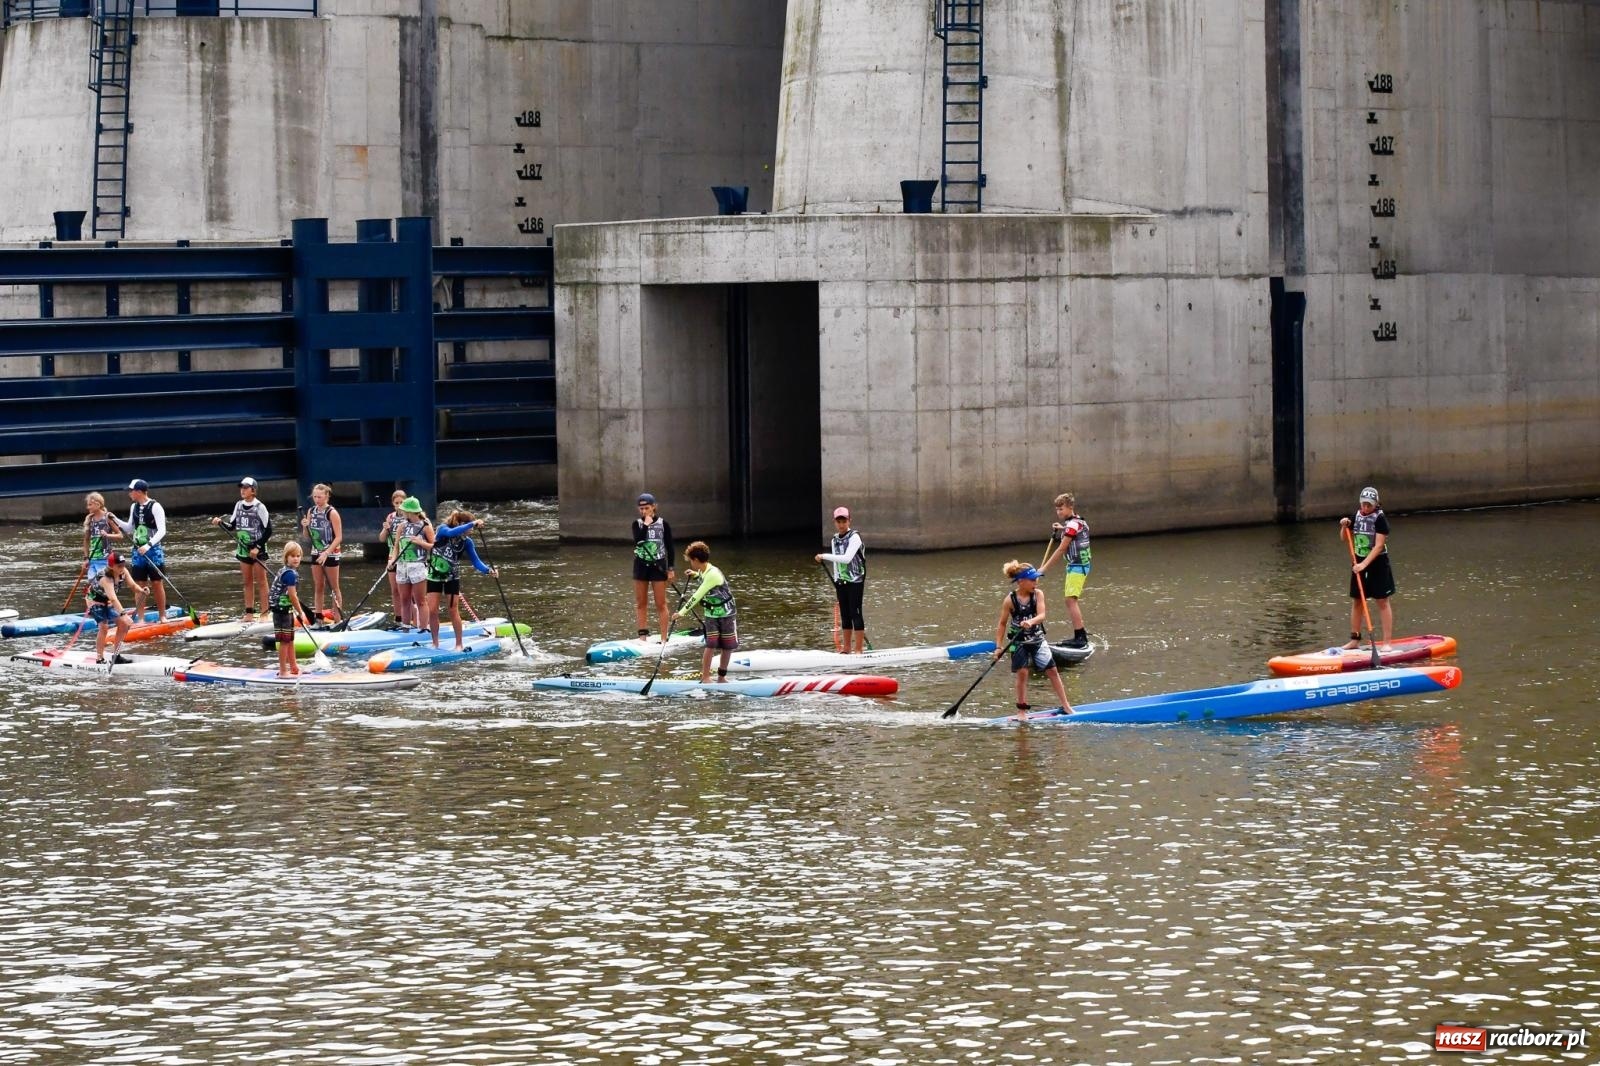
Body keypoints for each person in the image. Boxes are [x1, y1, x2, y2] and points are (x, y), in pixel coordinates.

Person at [994, 561, 1072, 719]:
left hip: (1037, 639)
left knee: (1052, 671)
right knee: (1022, 673)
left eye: (1037, 579)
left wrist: (1031, 621)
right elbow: (1002, 624)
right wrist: (998, 647)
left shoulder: (1038, 594)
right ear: (1021, 581)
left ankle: (1067, 706)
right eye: (1032, 580)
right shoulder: (1010, 600)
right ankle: (1021, 712)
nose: (1036, 582)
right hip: (1018, 642)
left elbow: (1042, 615)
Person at [425, 511, 498, 650]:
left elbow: (476, 561)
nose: (471, 530)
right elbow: (452, 534)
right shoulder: (442, 529)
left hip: (452, 577)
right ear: (460, 524)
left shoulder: (467, 542)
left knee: (453, 610)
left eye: (472, 527)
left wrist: (489, 570)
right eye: (469, 527)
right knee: (433, 610)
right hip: (434, 575)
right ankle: (435, 643)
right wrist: (473, 523)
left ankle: (459, 644)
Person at [1340, 486, 1396, 649]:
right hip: (1359, 563)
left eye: (1369, 505)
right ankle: (1354, 640)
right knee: (1357, 601)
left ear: (1376, 504)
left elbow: (1379, 546)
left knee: (1382, 601)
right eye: (1363, 504)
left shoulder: (1380, 519)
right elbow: (1345, 538)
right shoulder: (1356, 516)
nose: (1365, 508)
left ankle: (1386, 643)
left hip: (1377, 564)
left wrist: (1364, 564)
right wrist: (1344, 526)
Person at [672, 541, 736, 683]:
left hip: (727, 613)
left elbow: (697, 596)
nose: (690, 564)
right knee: (710, 645)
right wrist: (694, 574)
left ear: (695, 560)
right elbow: (702, 577)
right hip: (711, 615)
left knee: (727, 646)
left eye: (690, 561)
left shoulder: (712, 574)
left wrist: (681, 613)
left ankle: (721, 677)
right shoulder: (703, 570)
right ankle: (705, 677)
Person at [210, 476, 271, 621]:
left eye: (246, 488)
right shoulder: (238, 505)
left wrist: (257, 547)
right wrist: (220, 523)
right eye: (241, 488)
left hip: (258, 548)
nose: (242, 490)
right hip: (243, 548)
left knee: (261, 581)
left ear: (253, 490)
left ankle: (265, 613)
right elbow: (232, 526)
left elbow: (268, 531)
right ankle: (249, 613)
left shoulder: (260, 507)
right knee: (247, 581)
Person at [1038, 491, 1091, 648]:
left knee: (1070, 600)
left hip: (1078, 566)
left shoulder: (1073, 524)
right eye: (1057, 509)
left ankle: (1080, 637)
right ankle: (1079, 635)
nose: (1058, 512)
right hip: (1078, 564)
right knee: (1070, 600)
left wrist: (1043, 569)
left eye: (1061, 509)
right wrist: (1062, 528)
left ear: (1070, 507)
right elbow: (1074, 532)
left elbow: (1061, 549)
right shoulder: (1077, 521)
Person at [815, 505, 868, 653]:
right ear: (835, 522)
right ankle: (846, 649)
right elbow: (837, 565)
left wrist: (823, 556)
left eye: (844, 521)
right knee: (845, 615)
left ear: (849, 521)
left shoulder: (855, 537)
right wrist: (837, 581)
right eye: (838, 521)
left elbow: (845, 559)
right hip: (842, 582)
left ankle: (858, 650)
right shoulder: (834, 540)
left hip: (856, 580)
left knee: (855, 613)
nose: (841, 524)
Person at [115, 478, 167, 622]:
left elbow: (162, 531)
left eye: (131, 491)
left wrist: (148, 545)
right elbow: (129, 528)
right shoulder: (134, 507)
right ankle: (142, 619)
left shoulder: (156, 507)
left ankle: (162, 615)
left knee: (157, 583)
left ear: (138, 492)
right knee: (140, 584)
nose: (129, 494)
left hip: (154, 550)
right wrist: (114, 519)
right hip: (138, 552)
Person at [87, 552, 145, 665]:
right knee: (104, 627)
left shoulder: (123, 572)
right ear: (111, 566)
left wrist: (141, 591)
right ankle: (99, 658)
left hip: (108, 601)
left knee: (123, 625)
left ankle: (116, 656)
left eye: (123, 565)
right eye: (119, 566)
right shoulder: (105, 578)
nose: (122, 568)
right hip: (95, 601)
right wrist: (124, 614)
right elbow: (113, 599)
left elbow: (133, 586)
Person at [631, 492, 676, 639]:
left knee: (661, 603)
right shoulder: (637, 524)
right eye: (641, 509)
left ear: (654, 507)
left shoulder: (664, 524)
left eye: (647, 508)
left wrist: (670, 569)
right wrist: (646, 525)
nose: (644, 511)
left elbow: (670, 548)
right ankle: (642, 636)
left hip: (658, 567)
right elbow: (638, 541)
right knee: (641, 603)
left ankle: (664, 637)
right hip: (641, 567)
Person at [388, 496, 434, 630]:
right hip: (402, 566)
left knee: (420, 600)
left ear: (411, 512)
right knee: (404, 599)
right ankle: (406, 627)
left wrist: (420, 542)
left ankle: (423, 628)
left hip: (418, 566)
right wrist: (392, 560)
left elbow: (435, 546)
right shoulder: (402, 526)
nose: (401, 512)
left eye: (404, 510)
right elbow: (396, 546)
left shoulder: (425, 526)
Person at [267, 543, 312, 677]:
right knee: (284, 641)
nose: (296, 559)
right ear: (286, 557)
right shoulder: (290, 574)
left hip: (285, 609)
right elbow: (292, 595)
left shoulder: (286, 570)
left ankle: (294, 667)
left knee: (290, 639)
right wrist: (300, 612)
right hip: (281, 611)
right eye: (292, 556)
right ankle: (282, 671)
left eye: (298, 556)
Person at [301, 483, 344, 621]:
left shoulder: (332, 513)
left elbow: (339, 537)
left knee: (334, 587)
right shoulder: (311, 511)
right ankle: (318, 617)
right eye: (314, 497)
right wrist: (305, 527)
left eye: (319, 497)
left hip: (331, 553)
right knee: (319, 585)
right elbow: (307, 536)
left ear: (327, 496)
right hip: (316, 552)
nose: (316, 499)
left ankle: (337, 618)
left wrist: (326, 552)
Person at [378, 489, 410, 624]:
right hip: (392, 556)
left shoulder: (410, 517)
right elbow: (381, 539)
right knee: (395, 590)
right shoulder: (390, 517)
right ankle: (398, 618)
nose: (399, 505)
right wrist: (385, 528)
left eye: (401, 502)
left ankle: (410, 618)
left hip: (406, 557)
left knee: (407, 592)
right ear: (393, 504)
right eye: (396, 503)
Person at [82, 491, 122, 582]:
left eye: (90, 505)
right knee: (93, 586)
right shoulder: (89, 520)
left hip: (106, 559)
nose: (87, 507)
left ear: (98, 504)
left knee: (104, 585)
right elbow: (86, 540)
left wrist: (107, 535)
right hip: (93, 560)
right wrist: (86, 558)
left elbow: (120, 535)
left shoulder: (108, 518)